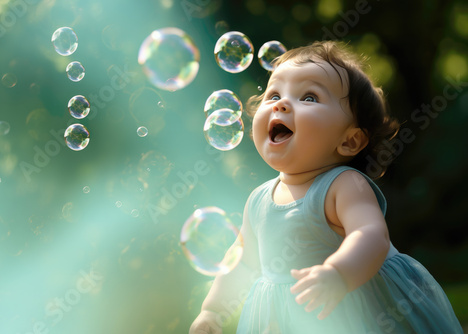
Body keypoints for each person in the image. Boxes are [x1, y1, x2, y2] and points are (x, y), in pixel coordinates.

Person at [189, 41, 463, 333]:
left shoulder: (343, 185)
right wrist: (213, 310)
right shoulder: (258, 201)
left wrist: (338, 274)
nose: (281, 104)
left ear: (349, 141)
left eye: (308, 97)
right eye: (274, 94)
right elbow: (242, 262)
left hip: (353, 314)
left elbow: (370, 234)